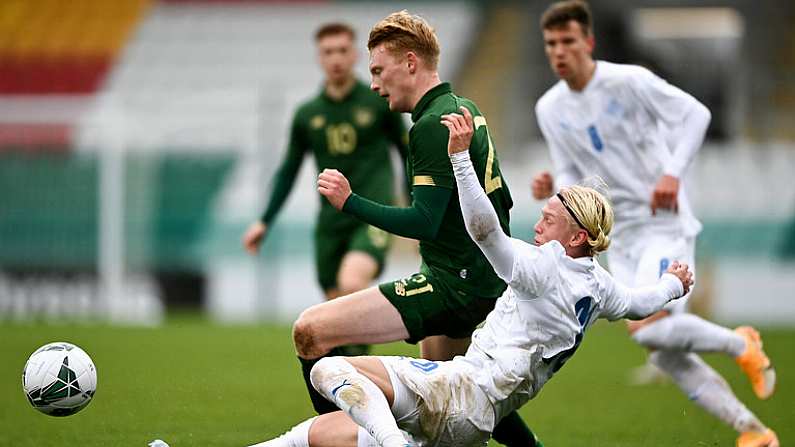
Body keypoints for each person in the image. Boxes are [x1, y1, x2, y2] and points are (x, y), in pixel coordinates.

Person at [249, 106, 693, 447]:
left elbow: (485, 231)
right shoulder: (599, 287)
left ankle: (392, 444)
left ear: (577, 236)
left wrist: (460, 160)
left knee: (328, 368)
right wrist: (676, 282)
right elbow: (643, 301)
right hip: (475, 418)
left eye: (550, 219)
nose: (539, 224)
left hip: (458, 393)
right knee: (318, 434)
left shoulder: (542, 268)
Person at [530, 2, 778, 446]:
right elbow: (572, 172)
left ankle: (741, 344)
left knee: (654, 327)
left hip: (663, 223)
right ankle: (754, 432)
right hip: (620, 237)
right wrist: (555, 187)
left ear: (588, 42)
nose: (559, 51)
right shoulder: (550, 108)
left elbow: (696, 115)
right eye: (551, 44)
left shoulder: (628, 81)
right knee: (662, 353)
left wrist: (672, 172)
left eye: (568, 41)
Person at [291, 10, 540, 447]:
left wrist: (350, 202)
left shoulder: (430, 126)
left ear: (410, 63)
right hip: (480, 279)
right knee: (459, 397)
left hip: (452, 284)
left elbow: (424, 221)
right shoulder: (466, 109)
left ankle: (354, 438)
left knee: (310, 332)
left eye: (377, 70)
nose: (372, 83)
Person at [242, 23, 408, 357]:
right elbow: (288, 171)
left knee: (351, 284)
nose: (336, 59)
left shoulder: (379, 102)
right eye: (328, 52)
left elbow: (407, 155)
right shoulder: (308, 115)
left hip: (372, 214)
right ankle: (355, 385)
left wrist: (416, 210)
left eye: (343, 51)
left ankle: (363, 382)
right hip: (330, 224)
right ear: (319, 58)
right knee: (337, 316)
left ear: (354, 55)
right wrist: (265, 220)